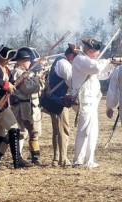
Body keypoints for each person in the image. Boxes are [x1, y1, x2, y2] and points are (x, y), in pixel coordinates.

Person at [0, 45, 28, 169]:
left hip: (3, 105)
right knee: (2, 133)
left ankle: (13, 161)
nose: (8, 61)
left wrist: (21, 80)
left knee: (12, 130)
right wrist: (6, 85)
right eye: (6, 59)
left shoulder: (6, 69)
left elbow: (12, 84)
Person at [71, 38, 111, 168]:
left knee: (93, 131)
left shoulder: (89, 61)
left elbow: (102, 74)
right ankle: (79, 160)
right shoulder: (81, 60)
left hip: (92, 101)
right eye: (96, 52)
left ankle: (89, 159)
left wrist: (112, 65)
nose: (98, 55)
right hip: (85, 101)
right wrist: (107, 61)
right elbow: (96, 68)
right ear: (89, 51)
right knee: (85, 131)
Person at [47, 43, 80, 167]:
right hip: (59, 101)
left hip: (54, 99)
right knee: (63, 129)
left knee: (57, 130)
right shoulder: (65, 64)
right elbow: (73, 82)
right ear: (71, 55)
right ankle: (63, 159)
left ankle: (56, 159)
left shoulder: (60, 61)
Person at [10, 47, 44, 166]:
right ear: (21, 61)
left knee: (33, 131)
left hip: (27, 105)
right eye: (27, 60)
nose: (29, 62)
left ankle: (35, 156)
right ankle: (16, 157)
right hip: (20, 106)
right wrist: (36, 79)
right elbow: (28, 88)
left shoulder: (24, 73)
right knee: (18, 132)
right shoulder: (18, 73)